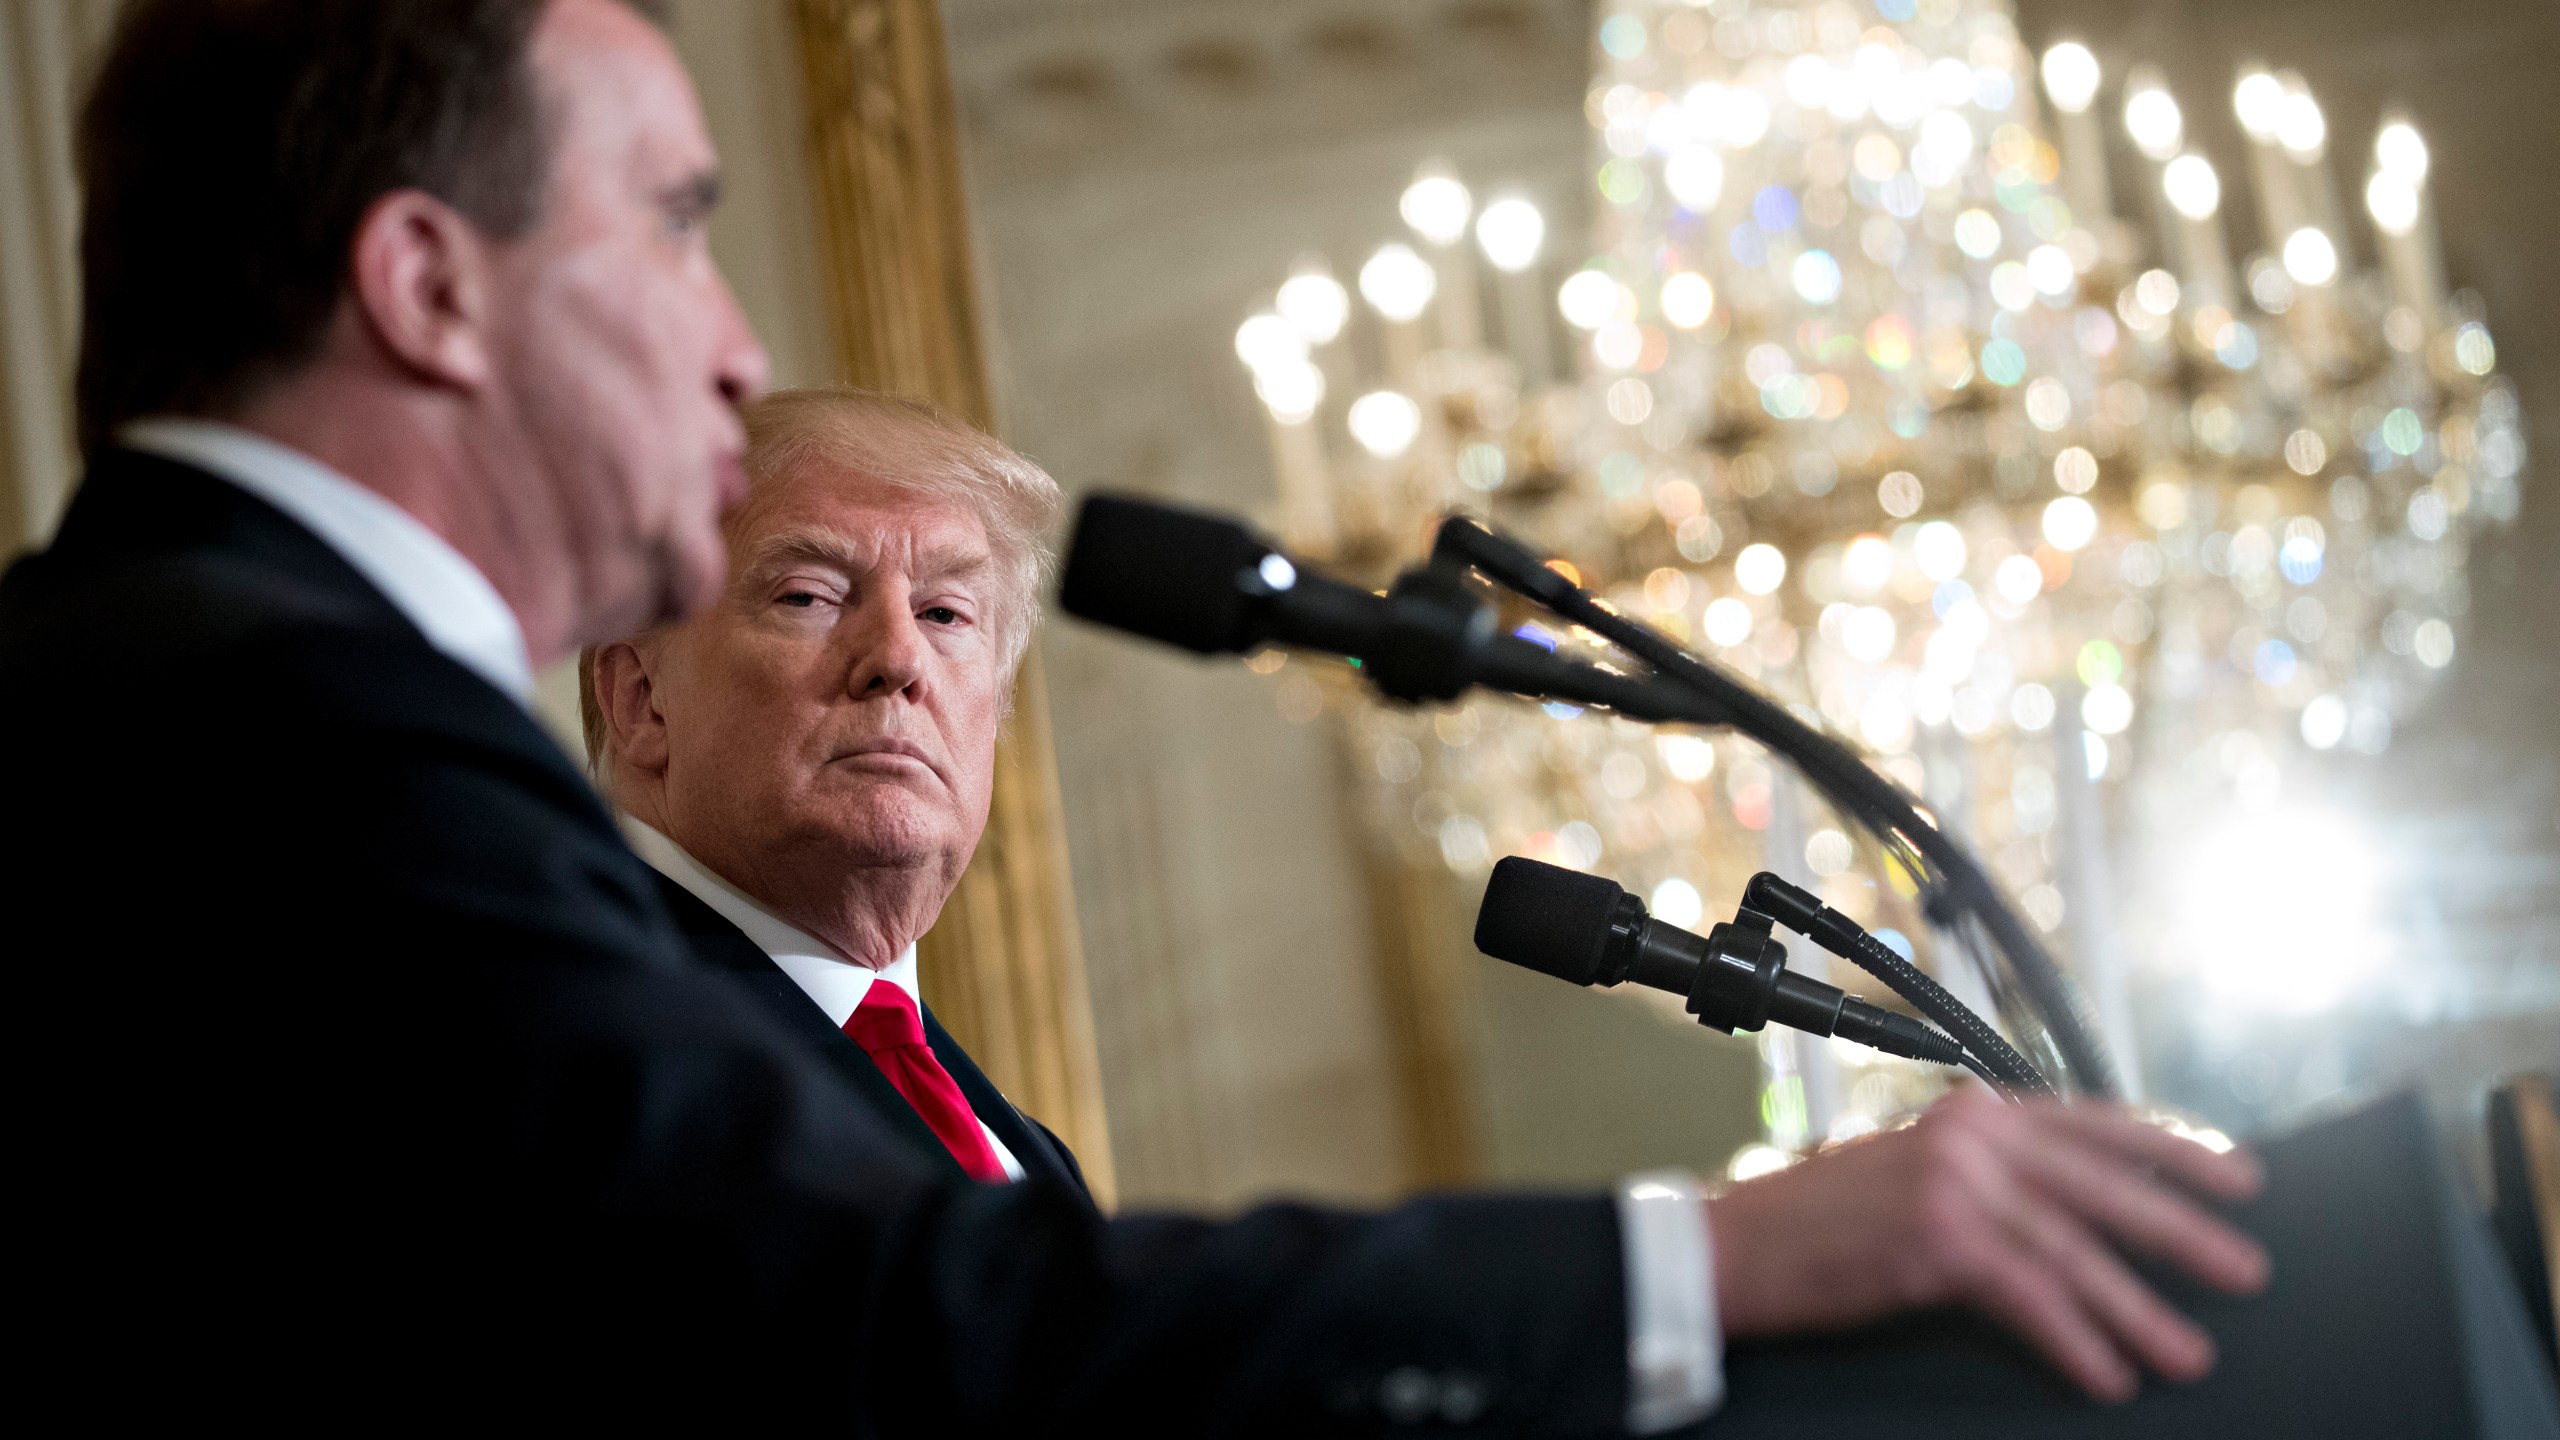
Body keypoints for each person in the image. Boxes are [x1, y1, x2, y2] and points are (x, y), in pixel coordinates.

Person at [0, 0, 2264, 1427]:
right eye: (677, 226)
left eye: (955, 614)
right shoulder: (264, 726)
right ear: (423, 281)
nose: (719, 341)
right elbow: (880, 1317)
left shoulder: (202, 682)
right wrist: (1711, 1256)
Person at [584, 387, 2275, 1425]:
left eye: (954, 619)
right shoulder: (599, 1030)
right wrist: (1696, 1263)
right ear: (633, 704)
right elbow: (1002, 1342)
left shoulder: (976, 1116)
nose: (897, 658)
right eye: (810, 592)